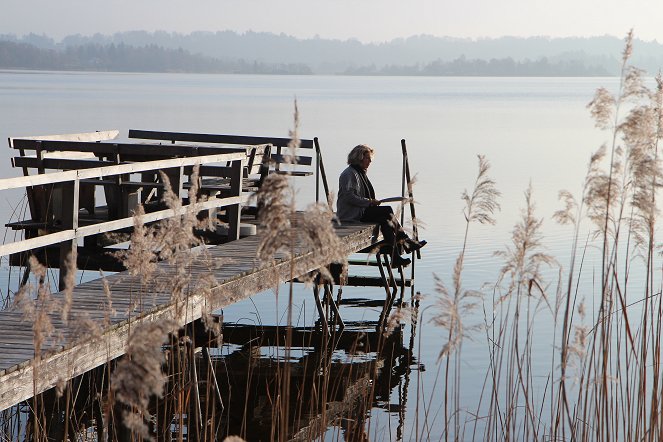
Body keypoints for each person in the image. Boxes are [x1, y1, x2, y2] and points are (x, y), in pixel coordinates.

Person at [337, 144, 426, 267]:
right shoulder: (349, 174)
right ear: (359, 158)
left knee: (385, 222)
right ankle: (406, 242)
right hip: (352, 213)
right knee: (387, 211)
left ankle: (395, 258)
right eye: (368, 158)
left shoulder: (359, 172)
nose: (370, 161)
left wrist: (370, 202)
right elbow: (349, 197)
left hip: (361, 210)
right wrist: (369, 202)